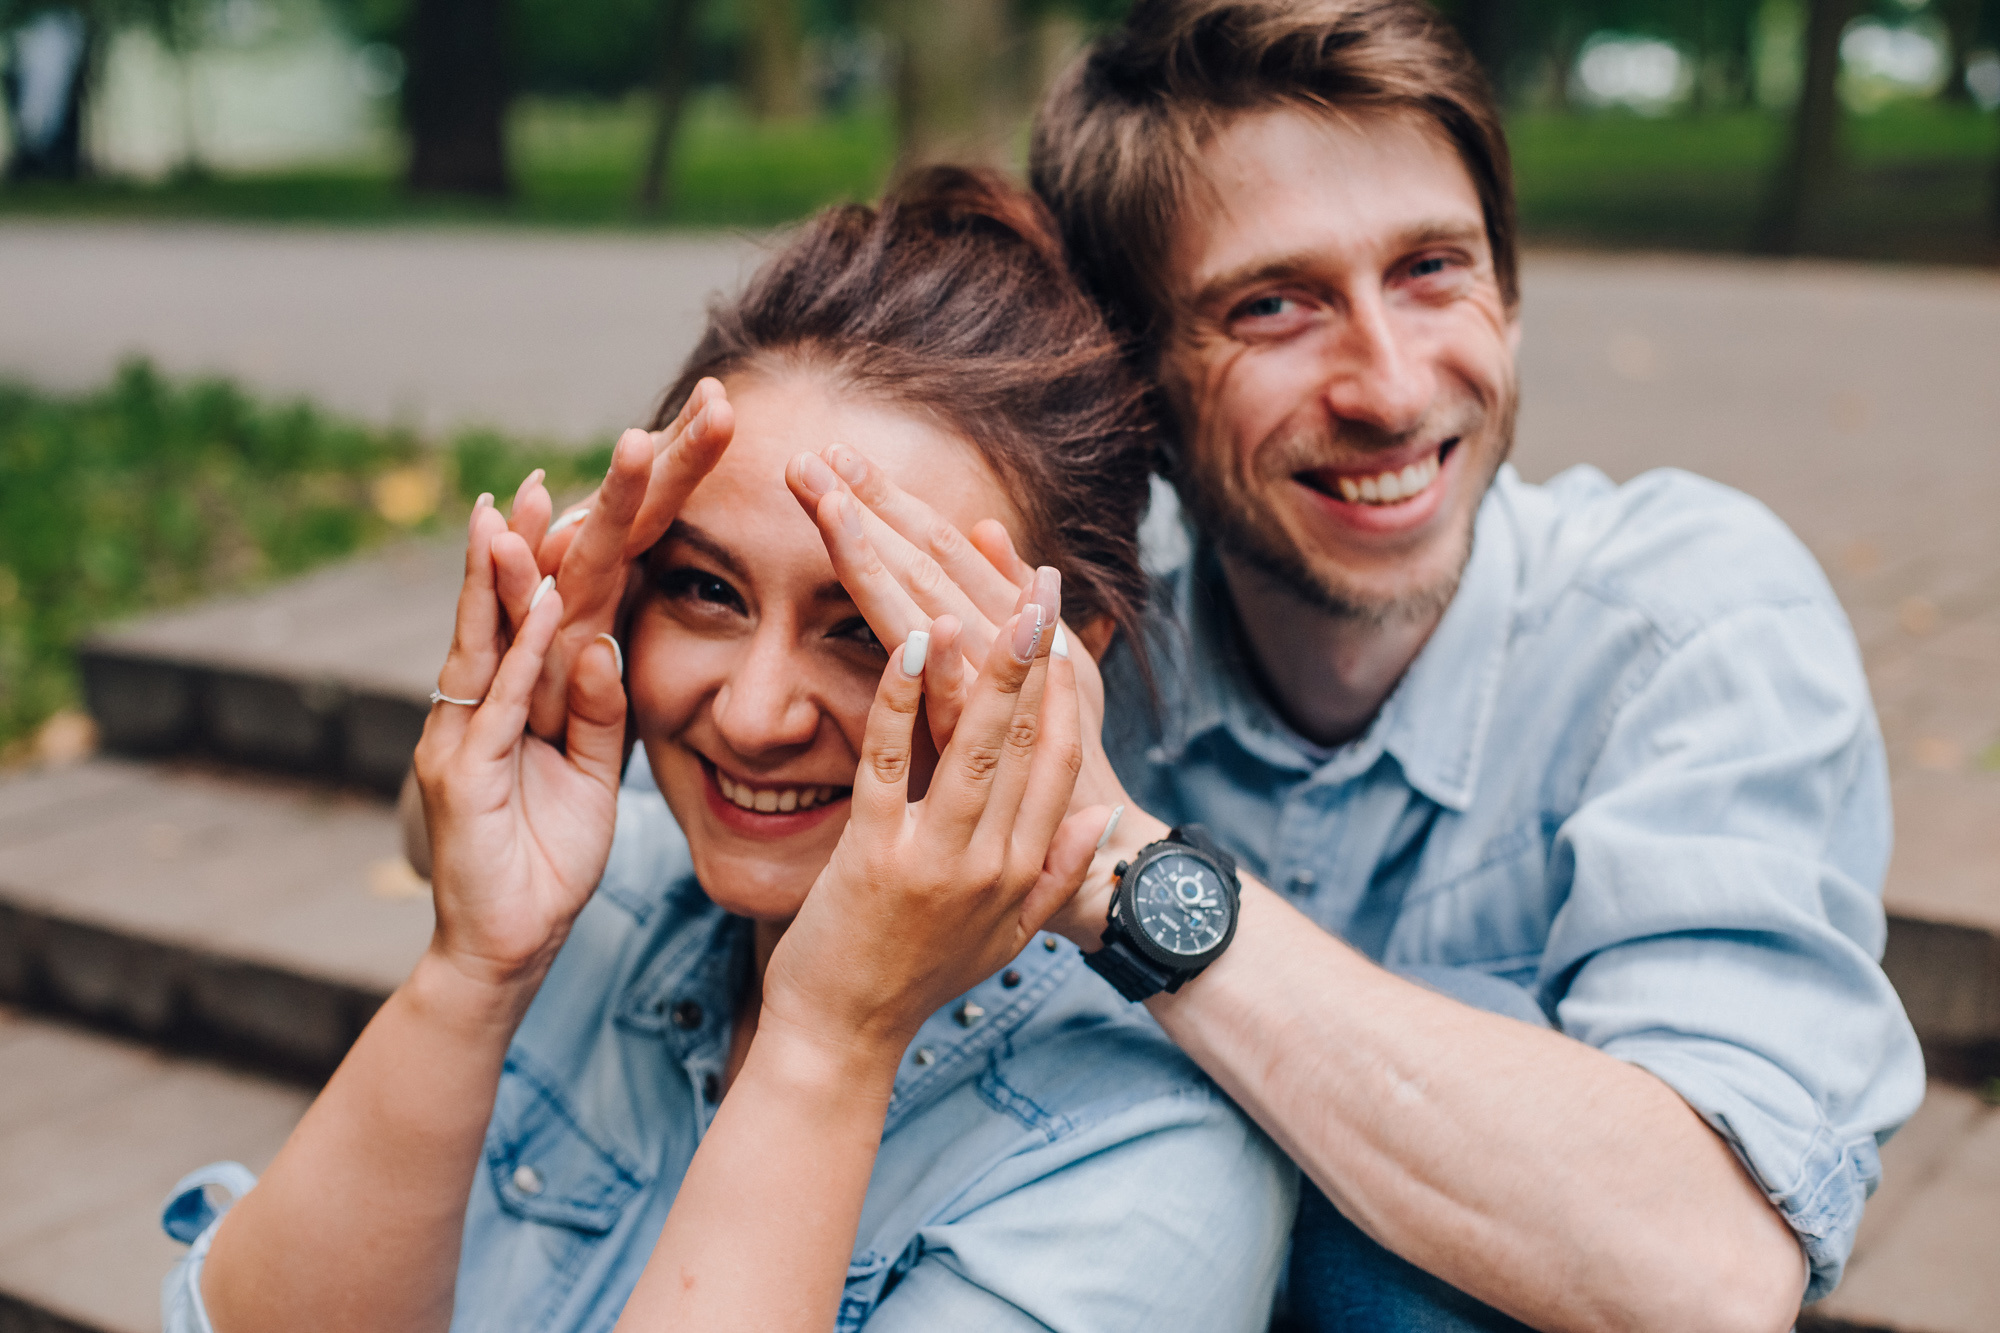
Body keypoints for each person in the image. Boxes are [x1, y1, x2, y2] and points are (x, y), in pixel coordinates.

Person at [766, 3, 1925, 1330]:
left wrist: (1114, 866)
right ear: (1136, 379)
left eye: (1434, 269)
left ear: (1512, 289)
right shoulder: (1060, 622)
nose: (1387, 386)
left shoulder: (1689, 628)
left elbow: (1708, 1273)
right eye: (1274, 305)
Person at [159, 169, 1295, 1331]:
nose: (753, 716)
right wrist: (473, 965)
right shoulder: (601, 900)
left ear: (1062, 668)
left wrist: (828, 1045)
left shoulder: (1144, 1179)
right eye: (705, 589)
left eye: (867, 628)